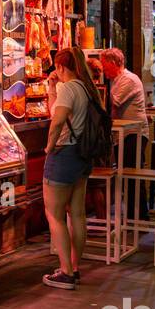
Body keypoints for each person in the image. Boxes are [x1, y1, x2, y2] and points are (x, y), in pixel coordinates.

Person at [41, 48, 103, 290]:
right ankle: (74, 267)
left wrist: (48, 146)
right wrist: (50, 89)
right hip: (82, 155)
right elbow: (57, 111)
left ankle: (65, 272)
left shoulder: (68, 88)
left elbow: (57, 121)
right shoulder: (86, 88)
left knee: (54, 214)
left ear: (61, 66)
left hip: (64, 153)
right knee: (76, 213)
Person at [100, 48, 147, 124]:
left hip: (134, 131)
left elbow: (115, 105)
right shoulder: (116, 80)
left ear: (112, 63)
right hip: (125, 130)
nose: (102, 68)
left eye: (103, 64)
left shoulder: (128, 79)